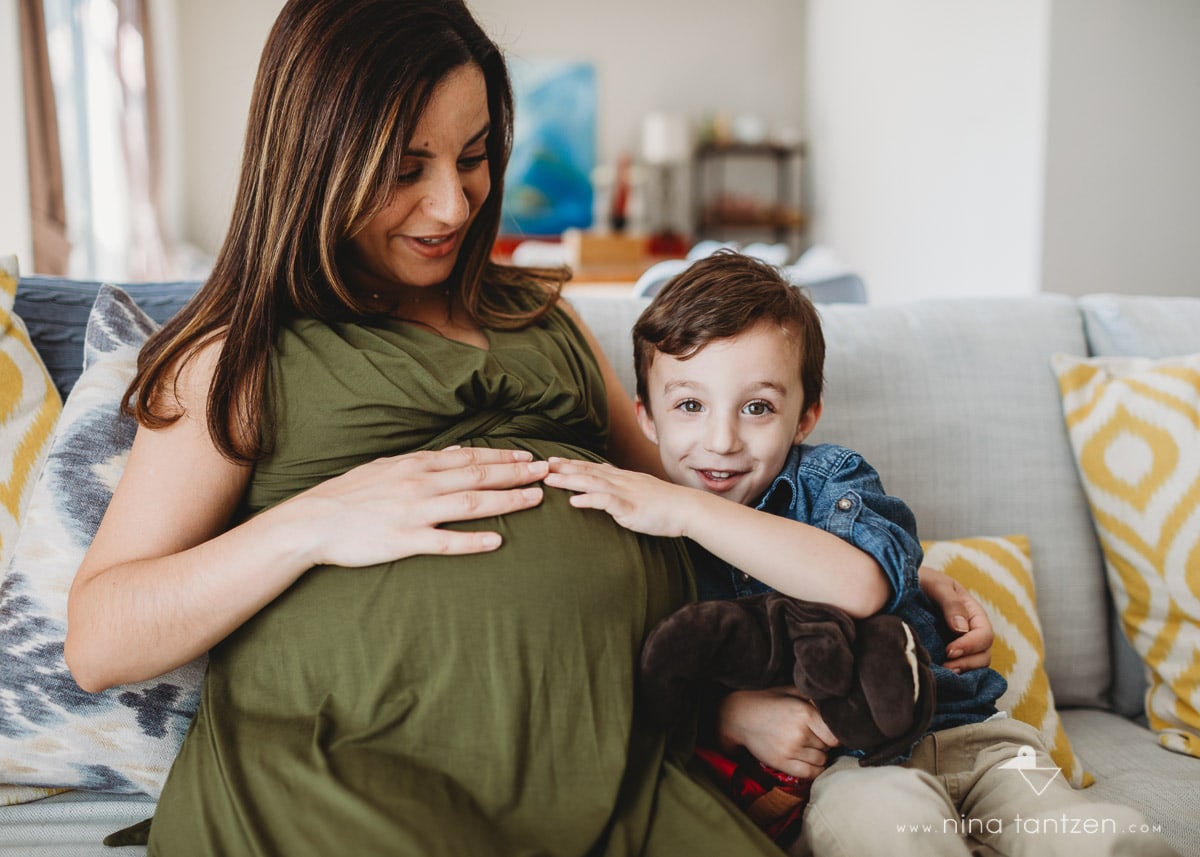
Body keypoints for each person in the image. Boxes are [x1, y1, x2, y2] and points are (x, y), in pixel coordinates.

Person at [63, 2, 988, 853]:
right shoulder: (240, 358)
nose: (454, 206)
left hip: (625, 780)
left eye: (472, 157)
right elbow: (100, 638)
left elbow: (689, 505)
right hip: (342, 788)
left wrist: (871, 567)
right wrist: (314, 520)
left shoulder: (543, 317)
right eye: (404, 170)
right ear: (315, 161)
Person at [544, 250, 1179, 857]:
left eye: (757, 407)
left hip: (978, 740)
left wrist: (686, 507)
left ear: (805, 417)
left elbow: (860, 587)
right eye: (689, 404)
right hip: (852, 766)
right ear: (646, 417)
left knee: (1085, 833)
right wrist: (729, 714)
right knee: (889, 830)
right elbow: (651, 679)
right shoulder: (645, 542)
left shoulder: (830, 481)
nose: (721, 439)